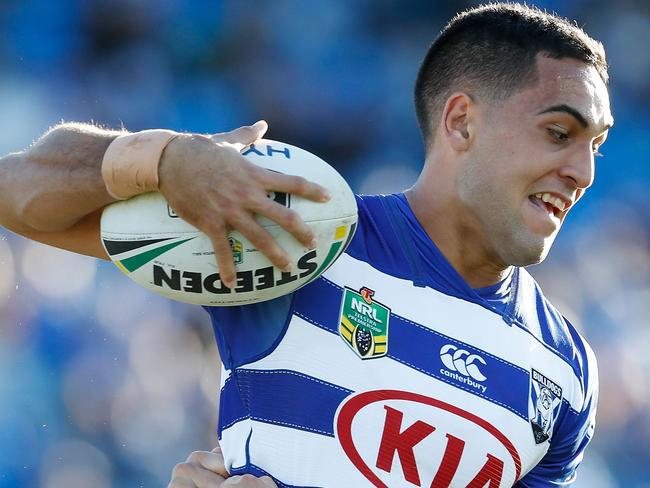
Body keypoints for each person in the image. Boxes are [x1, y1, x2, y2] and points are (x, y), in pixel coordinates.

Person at [0, 3, 612, 487]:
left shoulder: (564, 372)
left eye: (597, 146)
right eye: (559, 132)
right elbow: (16, 190)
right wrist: (157, 159)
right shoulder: (301, 235)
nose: (583, 171)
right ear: (460, 122)